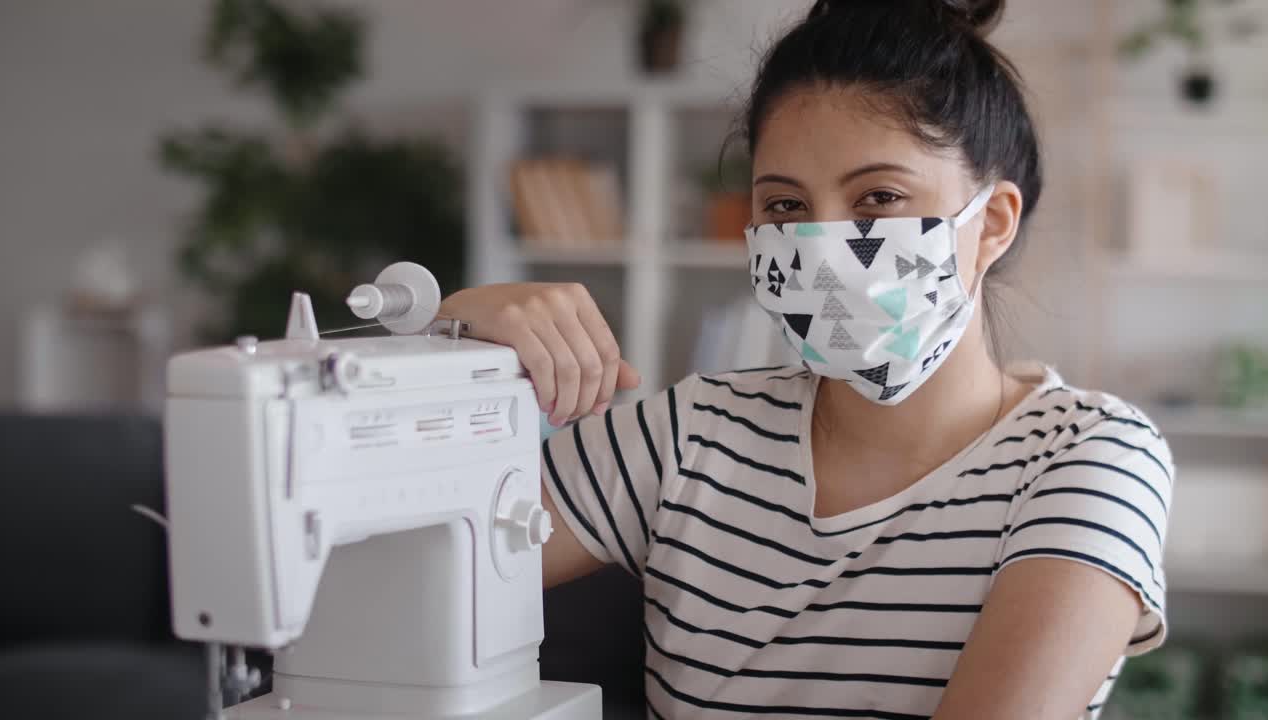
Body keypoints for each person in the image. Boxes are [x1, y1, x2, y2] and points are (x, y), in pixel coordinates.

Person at [442, 1, 1173, 717]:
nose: (823, 247)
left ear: (991, 224)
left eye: (878, 197)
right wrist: (443, 340)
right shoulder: (689, 435)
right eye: (786, 206)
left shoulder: (1089, 456)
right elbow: (413, 566)